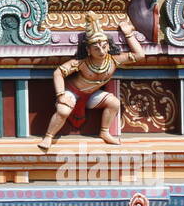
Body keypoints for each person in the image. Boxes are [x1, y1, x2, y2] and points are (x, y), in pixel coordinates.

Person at [39, 11, 145, 150]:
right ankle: (48, 136)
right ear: (88, 50)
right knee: (63, 111)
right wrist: (61, 95)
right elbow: (58, 72)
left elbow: (140, 55)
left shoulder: (113, 60)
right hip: (73, 92)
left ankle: (104, 132)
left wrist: (128, 34)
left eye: (104, 46)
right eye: (96, 48)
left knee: (114, 103)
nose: (101, 51)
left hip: (91, 96)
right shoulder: (83, 63)